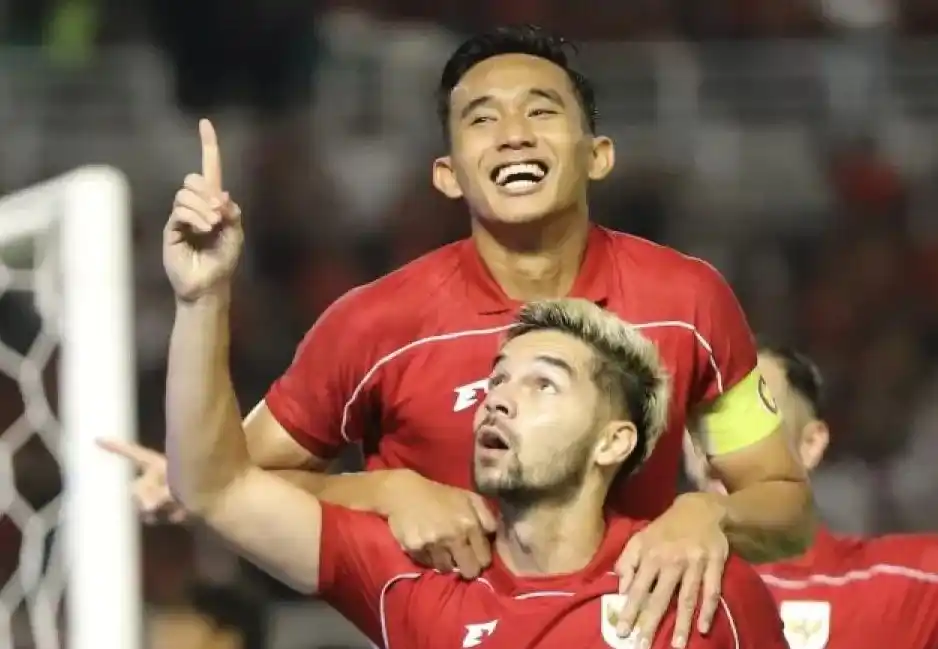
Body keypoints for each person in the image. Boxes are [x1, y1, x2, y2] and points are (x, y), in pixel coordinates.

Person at [107, 25, 813, 647]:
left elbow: (783, 508)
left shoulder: (689, 299)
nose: (513, 132)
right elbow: (238, 476)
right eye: (482, 118)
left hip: (640, 622)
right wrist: (389, 491)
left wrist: (709, 514)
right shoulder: (374, 324)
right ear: (447, 175)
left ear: (598, 154)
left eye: (542, 110)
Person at [166, 297, 788, 649]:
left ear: (612, 442)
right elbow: (214, 486)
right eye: (496, 380)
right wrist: (203, 298)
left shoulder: (703, 590)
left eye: (543, 383)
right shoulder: (415, 577)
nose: (498, 399)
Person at [684, 345, 938, 649]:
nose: (717, 443)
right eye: (702, 419)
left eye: (751, 418)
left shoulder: (909, 589)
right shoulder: (627, 589)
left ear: (810, 444)